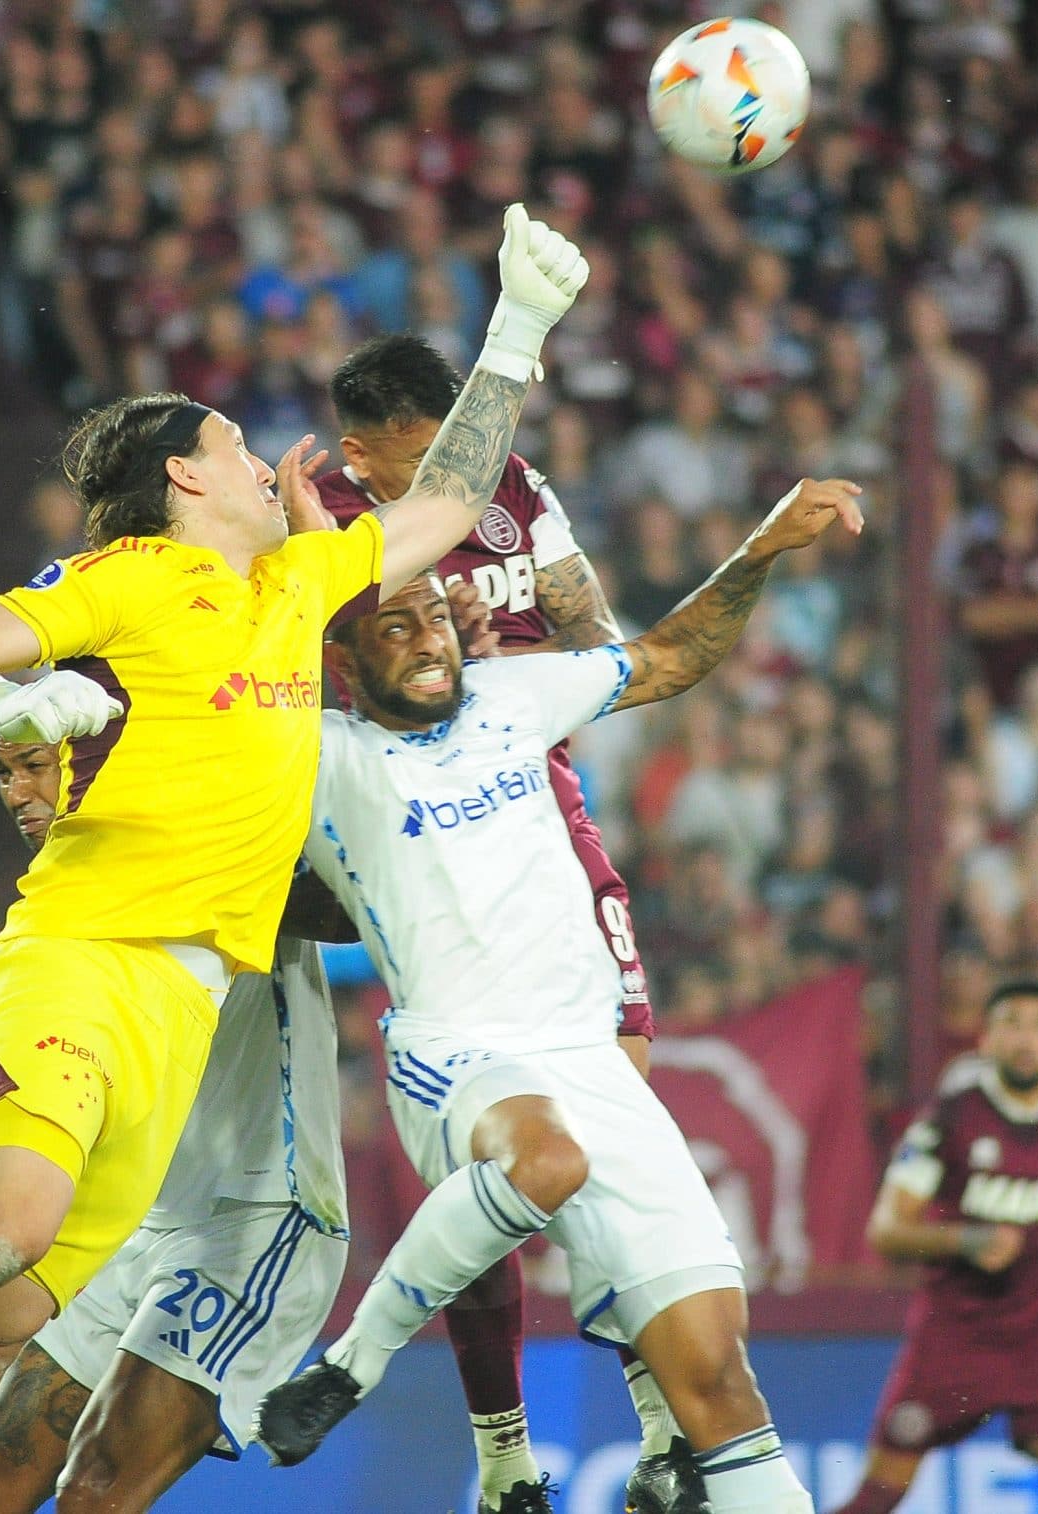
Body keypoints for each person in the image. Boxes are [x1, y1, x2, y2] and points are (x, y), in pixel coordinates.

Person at [0, 203, 586, 1514]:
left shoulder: (297, 584)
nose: (268, 465)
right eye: (240, 449)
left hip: (182, 1017)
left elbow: (450, 500)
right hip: (76, 965)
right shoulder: (130, 575)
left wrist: (520, 331)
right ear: (188, 480)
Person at [255, 477, 867, 1514]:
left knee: (717, 1378)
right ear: (340, 662)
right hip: (455, 1051)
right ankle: (349, 1363)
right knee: (545, 1159)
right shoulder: (319, 756)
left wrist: (763, 543)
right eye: (389, 625)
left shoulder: (516, 694)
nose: (426, 636)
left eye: (433, 616)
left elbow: (669, 654)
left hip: (588, 1059)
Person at [314, 333, 692, 1513]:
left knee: (610, 1092)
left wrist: (511, 673)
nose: (459, 482)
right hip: (390, 830)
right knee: (485, 1153)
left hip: (535, 812)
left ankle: (654, 1428)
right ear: (361, 452)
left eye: (464, 451)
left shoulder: (516, 489)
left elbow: (595, 637)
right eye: (429, 458)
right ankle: (501, 1451)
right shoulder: (317, 521)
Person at [0, 736, 347, 1514]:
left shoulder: (218, 831)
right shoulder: (57, 898)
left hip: (256, 1214)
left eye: (36, 764)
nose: (18, 791)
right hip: (139, 1218)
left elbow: (349, 911)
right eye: (3, 771)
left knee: (97, 1489)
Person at [832, 979, 1038, 1514]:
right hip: (952, 1336)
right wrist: (964, 1239)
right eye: (1011, 1024)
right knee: (876, 1498)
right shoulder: (949, 1119)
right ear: (985, 1041)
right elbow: (886, 1230)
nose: (1025, 1039)